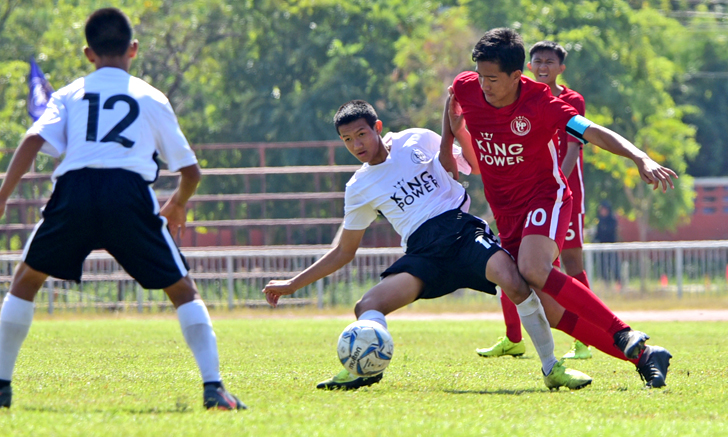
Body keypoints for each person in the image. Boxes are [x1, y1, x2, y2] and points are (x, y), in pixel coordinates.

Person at [0, 8, 244, 410]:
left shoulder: (70, 93)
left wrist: (4, 195)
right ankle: (214, 388)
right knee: (182, 290)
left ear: (87, 53)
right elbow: (192, 171)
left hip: (75, 189)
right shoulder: (151, 96)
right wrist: (178, 203)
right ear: (133, 49)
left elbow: (30, 141)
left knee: (25, 281)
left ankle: (2, 386)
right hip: (128, 192)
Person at [263, 99, 592, 391]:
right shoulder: (358, 187)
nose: (356, 144)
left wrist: (458, 127)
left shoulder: (416, 138)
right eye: (347, 140)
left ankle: (551, 368)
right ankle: (366, 371)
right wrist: (293, 284)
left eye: (361, 134)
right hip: (424, 254)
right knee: (366, 307)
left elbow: (470, 166)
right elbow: (344, 251)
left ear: (377, 128)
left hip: (462, 233)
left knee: (516, 283)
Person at [441, 28, 673, 388]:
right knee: (550, 312)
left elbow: (591, 131)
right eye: (481, 76)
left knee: (533, 268)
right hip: (507, 212)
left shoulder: (542, 103)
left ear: (517, 76)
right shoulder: (468, 85)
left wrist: (639, 157)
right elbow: (455, 95)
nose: (483, 85)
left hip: (545, 197)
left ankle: (624, 332)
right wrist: (448, 142)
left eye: (492, 78)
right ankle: (644, 356)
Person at [479, 41, 594, 361]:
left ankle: (583, 338)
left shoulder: (571, 100)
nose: (543, 66)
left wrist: (555, 183)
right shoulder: (516, 99)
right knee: (510, 262)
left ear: (561, 68)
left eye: (549, 61)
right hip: (525, 195)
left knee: (571, 265)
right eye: (538, 61)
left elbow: (574, 147)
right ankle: (513, 337)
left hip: (561, 194)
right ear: (527, 67)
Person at [594, 200, 621, 285]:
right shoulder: (599, 220)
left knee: (614, 266)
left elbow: (610, 232)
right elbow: (598, 234)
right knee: (603, 267)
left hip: (611, 247)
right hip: (602, 248)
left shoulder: (612, 220)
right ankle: (606, 284)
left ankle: (618, 283)